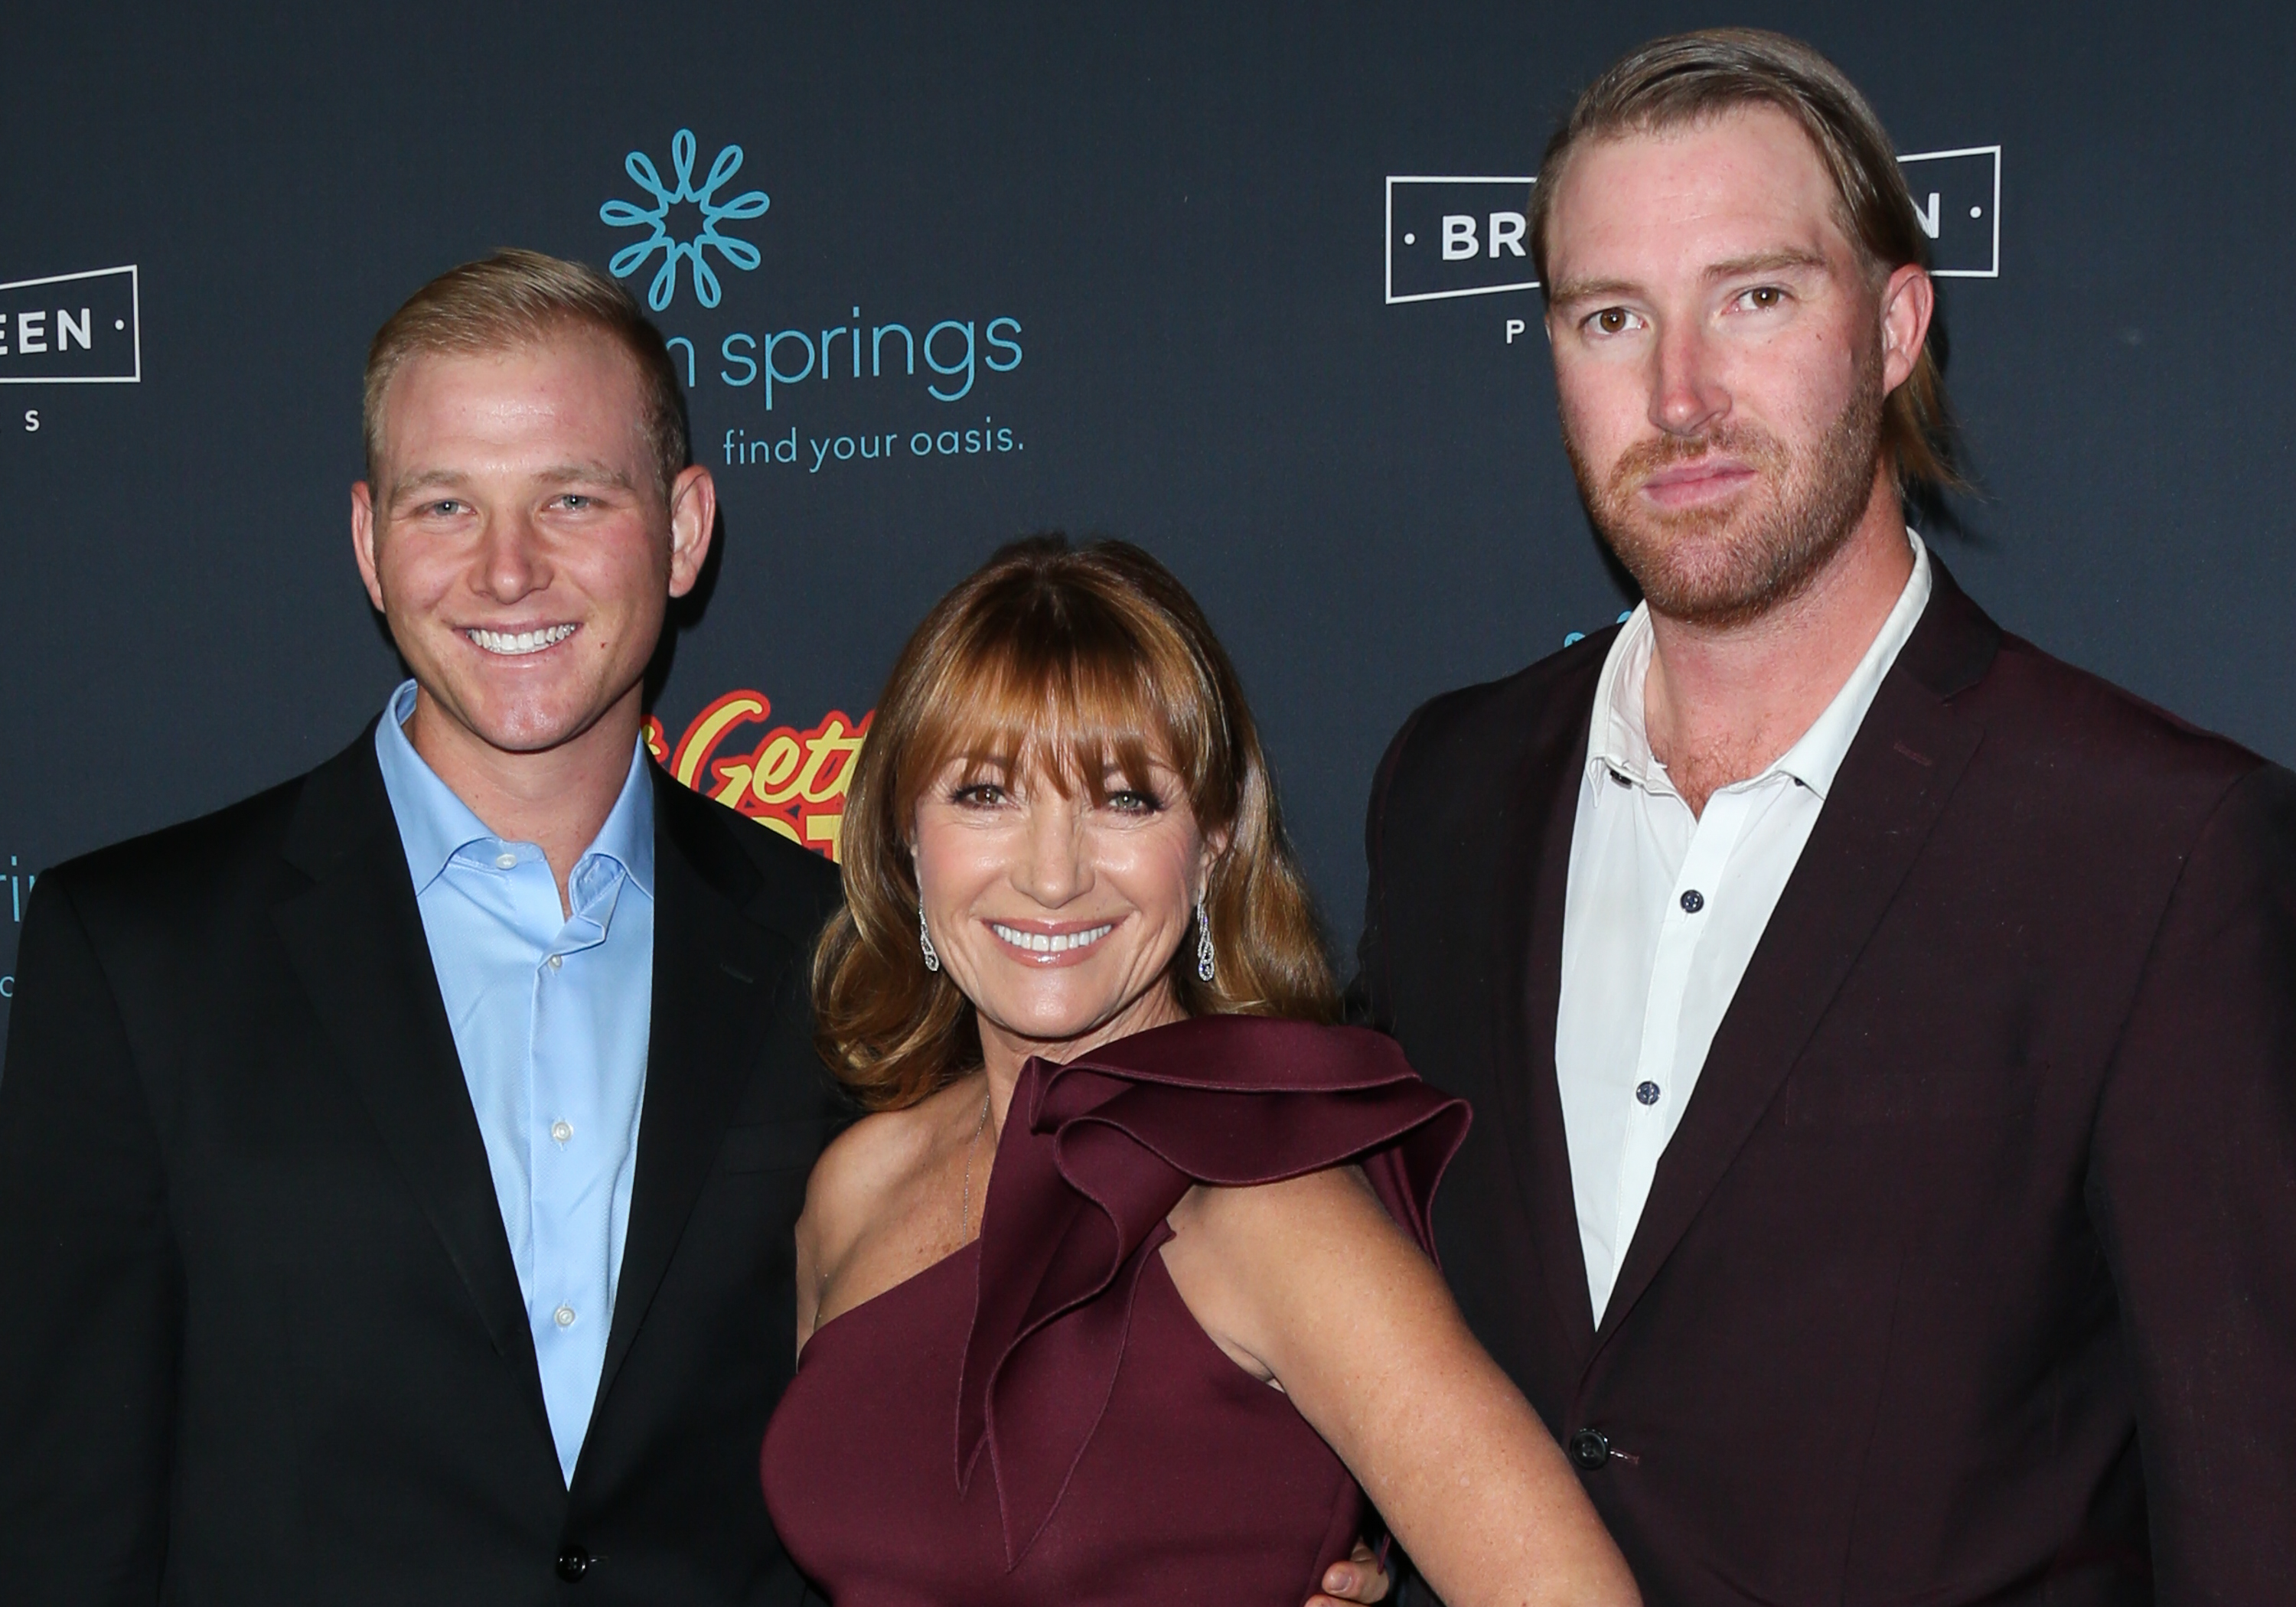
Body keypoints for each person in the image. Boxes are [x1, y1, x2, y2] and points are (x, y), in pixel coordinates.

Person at [1353, 28, 2296, 1605]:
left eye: (1757, 297)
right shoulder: (1445, 790)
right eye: (1609, 318)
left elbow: (2253, 1502)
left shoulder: (2157, 845)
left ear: (1895, 328)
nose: (1681, 393)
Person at [0, 251, 847, 1602]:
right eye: (446, 504)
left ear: (683, 531)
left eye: (572, 497)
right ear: (368, 544)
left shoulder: (842, 956)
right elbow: (63, 1518)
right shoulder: (137, 954)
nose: (508, 572)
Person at [760, 536, 1640, 1605]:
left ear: (1213, 843)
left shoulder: (1271, 1212)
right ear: (907, 840)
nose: (1051, 873)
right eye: (985, 794)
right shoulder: (857, 1186)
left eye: (1125, 799)